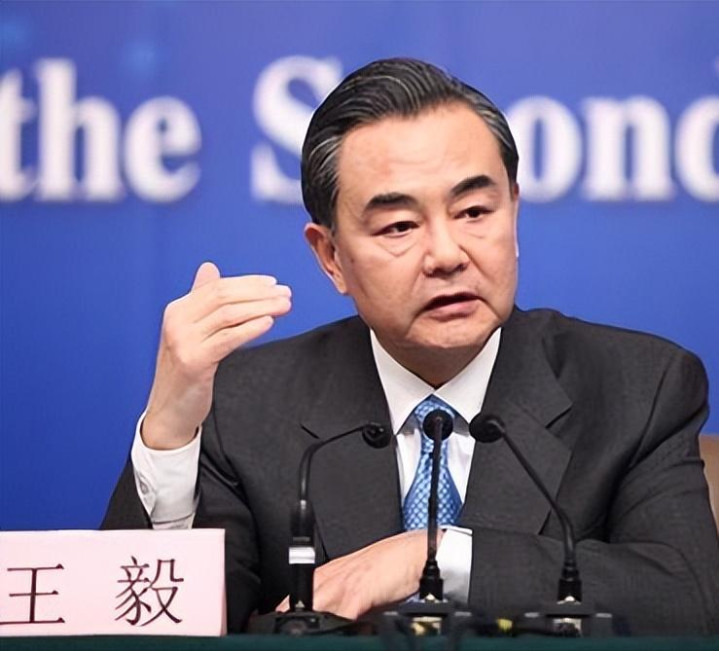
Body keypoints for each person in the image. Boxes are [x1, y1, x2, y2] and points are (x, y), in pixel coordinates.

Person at [103, 58, 719, 634]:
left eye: (474, 211)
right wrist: (170, 433)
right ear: (331, 256)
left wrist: (432, 556)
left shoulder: (638, 386)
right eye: (399, 225)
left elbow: (689, 601)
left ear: (513, 212)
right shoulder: (245, 407)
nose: (447, 255)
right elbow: (158, 629)